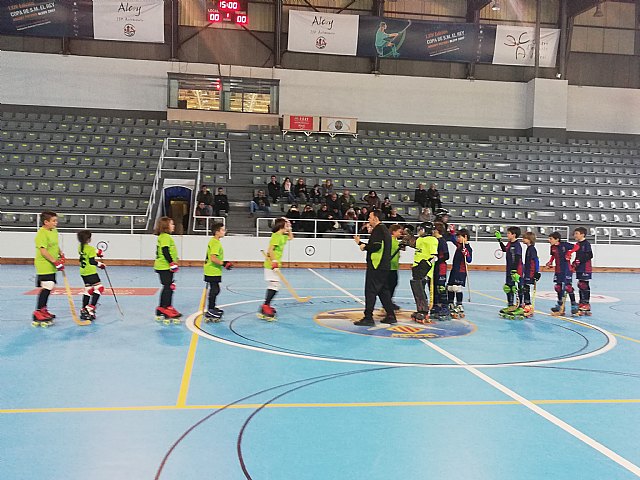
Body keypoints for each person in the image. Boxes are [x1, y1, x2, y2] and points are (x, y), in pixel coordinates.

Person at [353, 210, 396, 326]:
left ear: (376, 218)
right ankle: (391, 315)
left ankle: (368, 317)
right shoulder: (384, 230)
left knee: (370, 291)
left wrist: (363, 246)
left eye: (370, 217)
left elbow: (376, 246)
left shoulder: (378, 230)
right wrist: (360, 243)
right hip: (383, 266)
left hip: (376, 266)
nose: (368, 219)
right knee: (383, 291)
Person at [32, 211, 64, 326]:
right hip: (44, 263)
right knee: (48, 286)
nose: (56, 223)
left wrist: (60, 253)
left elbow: (55, 245)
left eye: (56, 220)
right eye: (53, 221)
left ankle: (43, 309)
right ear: (46, 222)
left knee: (50, 286)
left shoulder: (54, 231)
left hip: (52, 264)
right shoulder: (41, 234)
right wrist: (55, 262)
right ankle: (38, 312)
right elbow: (43, 251)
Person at [259, 217, 293, 320]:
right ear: (282, 226)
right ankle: (265, 305)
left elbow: (291, 237)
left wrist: (290, 228)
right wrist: (274, 261)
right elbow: (270, 250)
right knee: (274, 284)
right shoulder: (276, 236)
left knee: (275, 285)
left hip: (276, 264)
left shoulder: (282, 236)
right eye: (286, 225)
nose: (288, 226)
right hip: (271, 264)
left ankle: (266, 305)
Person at [405, 222, 439, 323]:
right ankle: (420, 309)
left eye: (421, 229)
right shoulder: (420, 239)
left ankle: (424, 311)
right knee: (417, 289)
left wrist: (426, 265)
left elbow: (434, 256)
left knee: (421, 289)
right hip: (416, 266)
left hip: (424, 268)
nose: (419, 231)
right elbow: (415, 246)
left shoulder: (432, 240)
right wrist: (409, 237)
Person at [203, 222, 233, 322]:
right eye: (223, 230)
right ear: (217, 232)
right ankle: (210, 309)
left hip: (213, 269)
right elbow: (213, 258)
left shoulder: (213, 241)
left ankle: (212, 307)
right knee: (215, 290)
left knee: (215, 289)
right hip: (212, 270)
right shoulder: (215, 243)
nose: (225, 231)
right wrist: (224, 263)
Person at [154, 216, 181, 321]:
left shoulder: (163, 236)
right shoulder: (165, 237)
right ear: (166, 226)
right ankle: (166, 307)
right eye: (171, 224)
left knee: (168, 286)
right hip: (164, 266)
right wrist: (171, 263)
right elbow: (165, 250)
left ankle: (163, 307)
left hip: (163, 266)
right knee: (168, 287)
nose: (173, 226)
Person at [546, 231, 578, 316]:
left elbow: (576, 247)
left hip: (566, 269)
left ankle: (574, 305)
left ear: (557, 239)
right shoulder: (552, 247)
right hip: (558, 270)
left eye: (551, 239)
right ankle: (560, 305)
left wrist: (569, 252)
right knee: (558, 287)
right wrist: (550, 262)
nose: (549, 240)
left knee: (567, 287)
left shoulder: (564, 245)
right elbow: (553, 255)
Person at [495, 227, 524, 318]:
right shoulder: (509, 243)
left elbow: (518, 257)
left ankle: (520, 306)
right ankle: (510, 305)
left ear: (514, 235)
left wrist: (515, 270)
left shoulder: (517, 245)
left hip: (516, 270)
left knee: (518, 288)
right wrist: (499, 240)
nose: (507, 235)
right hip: (509, 269)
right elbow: (504, 249)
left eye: (508, 233)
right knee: (508, 287)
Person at [77, 230, 106, 322]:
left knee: (88, 290)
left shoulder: (80, 247)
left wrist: (97, 252)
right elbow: (91, 261)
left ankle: (84, 308)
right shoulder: (90, 249)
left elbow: (89, 252)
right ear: (88, 239)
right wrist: (100, 264)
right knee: (99, 288)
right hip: (91, 272)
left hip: (83, 272)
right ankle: (90, 307)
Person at [567, 227, 593, 316]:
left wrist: (579, 261)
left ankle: (586, 303)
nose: (575, 235)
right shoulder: (577, 244)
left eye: (576, 233)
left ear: (582, 234)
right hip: (579, 267)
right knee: (580, 284)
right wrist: (574, 263)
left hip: (585, 267)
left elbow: (589, 255)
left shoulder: (586, 244)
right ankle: (581, 302)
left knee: (584, 284)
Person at [447, 228, 472, 319]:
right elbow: (453, 239)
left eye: (459, 237)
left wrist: (466, 254)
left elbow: (469, 260)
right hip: (454, 269)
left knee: (456, 288)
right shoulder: (459, 245)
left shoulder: (468, 248)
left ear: (465, 237)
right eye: (457, 237)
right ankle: (450, 303)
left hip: (461, 271)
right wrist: (452, 232)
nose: (457, 239)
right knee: (450, 287)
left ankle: (459, 304)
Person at [431, 222, 451, 320]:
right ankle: (436, 305)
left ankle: (445, 307)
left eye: (434, 229)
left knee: (441, 287)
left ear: (437, 231)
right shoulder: (434, 240)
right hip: (434, 267)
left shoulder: (442, 241)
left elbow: (447, 255)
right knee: (434, 286)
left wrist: (438, 258)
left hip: (441, 267)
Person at [522, 231, 540, 318]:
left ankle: (528, 305)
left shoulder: (532, 249)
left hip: (531, 272)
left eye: (524, 238)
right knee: (525, 287)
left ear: (529, 239)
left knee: (526, 288)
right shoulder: (528, 248)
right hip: (527, 271)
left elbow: (536, 260)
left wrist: (537, 272)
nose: (523, 239)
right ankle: (526, 304)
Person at [388, 224, 404, 311]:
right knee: (391, 284)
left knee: (393, 284)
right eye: (399, 232)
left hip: (394, 266)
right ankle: (388, 302)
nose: (400, 233)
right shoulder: (391, 241)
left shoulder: (395, 241)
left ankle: (389, 301)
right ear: (394, 232)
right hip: (390, 266)